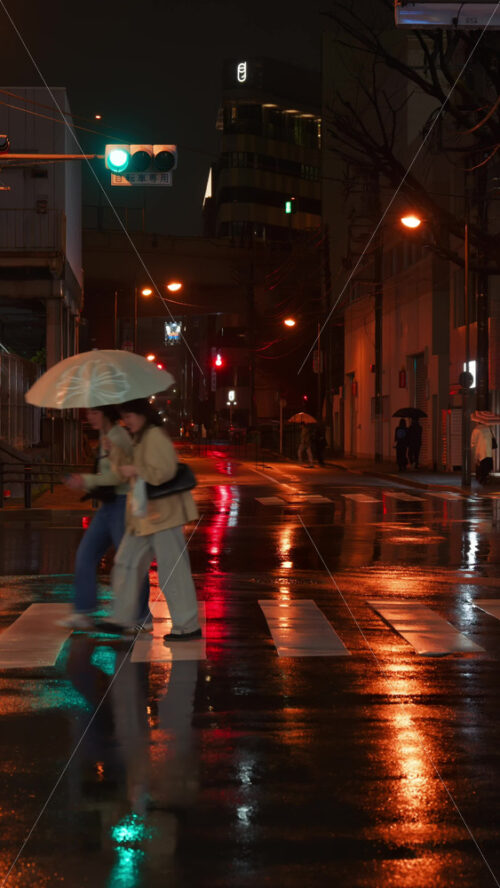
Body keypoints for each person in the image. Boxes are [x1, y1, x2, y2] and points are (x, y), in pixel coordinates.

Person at [104, 398, 201, 641]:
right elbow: (125, 473)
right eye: (124, 417)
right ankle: (122, 617)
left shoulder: (154, 436)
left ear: (142, 414)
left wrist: (136, 470)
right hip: (145, 516)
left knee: (171, 570)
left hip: (163, 515)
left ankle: (187, 626)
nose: (126, 421)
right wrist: (113, 453)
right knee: (126, 563)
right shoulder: (139, 438)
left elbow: (165, 471)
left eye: (129, 416)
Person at [59, 406, 152, 631]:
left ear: (106, 413)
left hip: (122, 505)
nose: (89, 417)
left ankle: (141, 615)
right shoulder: (106, 435)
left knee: (129, 560)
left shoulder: (117, 436)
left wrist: (86, 481)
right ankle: (83, 610)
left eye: (94, 412)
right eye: (88, 412)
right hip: (108, 506)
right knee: (86, 554)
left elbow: (118, 476)